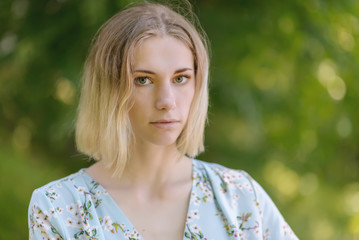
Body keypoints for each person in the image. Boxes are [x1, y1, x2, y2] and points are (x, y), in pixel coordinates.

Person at [28, 2, 299, 240]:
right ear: (110, 90)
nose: (167, 100)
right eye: (143, 80)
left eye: (180, 78)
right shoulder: (59, 208)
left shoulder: (240, 197)